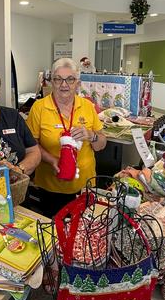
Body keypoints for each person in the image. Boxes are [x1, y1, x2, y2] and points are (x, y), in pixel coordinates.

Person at [26, 58, 106, 217]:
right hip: (51, 185)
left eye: (70, 79)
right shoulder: (39, 107)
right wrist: (52, 160)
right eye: (58, 79)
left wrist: (91, 136)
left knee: (83, 233)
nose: (64, 85)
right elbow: (31, 145)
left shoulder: (88, 106)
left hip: (85, 184)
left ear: (78, 83)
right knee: (54, 232)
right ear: (51, 82)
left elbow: (101, 144)